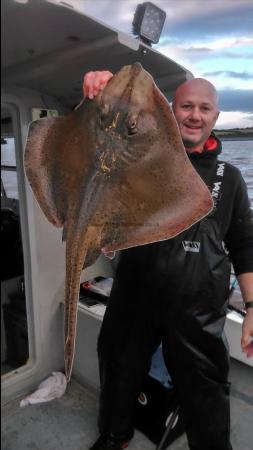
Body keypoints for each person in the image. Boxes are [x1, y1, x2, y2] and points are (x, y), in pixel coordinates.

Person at [83, 70, 253, 450]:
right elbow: (103, 144)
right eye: (187, 106)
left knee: (205, 386)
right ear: (171, 111)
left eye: (204, 108)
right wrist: (104, 89)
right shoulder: (139, 157)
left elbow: (243, 244)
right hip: (134, 296)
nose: (195, 115)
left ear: (216, 117)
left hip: (197, 308)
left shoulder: (232, 178)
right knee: (118, 369)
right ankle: (114, 436)